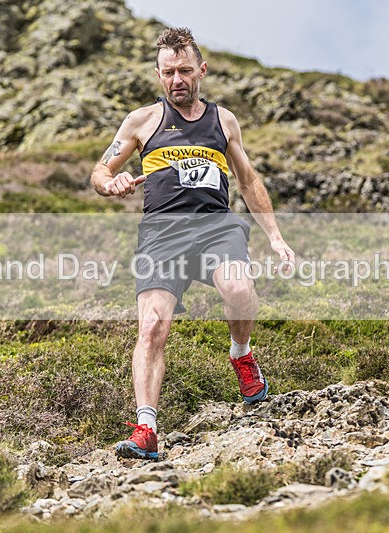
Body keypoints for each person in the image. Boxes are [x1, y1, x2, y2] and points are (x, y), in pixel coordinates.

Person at [90, 27, 294, 460]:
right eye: (169, 72)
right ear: (159, 75)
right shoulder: (141, 121)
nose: (177, 79)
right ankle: (146, 428)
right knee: (152, 326)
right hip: (161, 234)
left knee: (240, 290)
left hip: (216, 227)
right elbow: (100, 172)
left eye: (185, 70)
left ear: (201, 70)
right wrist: (113, 183)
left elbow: (248, 179)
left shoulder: (223, 121)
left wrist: (275, 236)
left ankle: (241, 355)